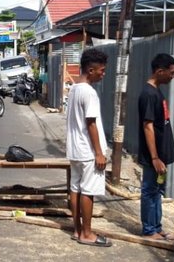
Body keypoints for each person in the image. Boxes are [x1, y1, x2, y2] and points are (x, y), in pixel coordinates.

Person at [66, 48, 111, 247]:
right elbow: (91, 123)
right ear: (90, 70)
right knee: (88, 191)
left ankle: (77, 230)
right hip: (88, 151)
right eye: (101, 70)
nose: (103, 74)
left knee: (75, 189)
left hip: (75, 149)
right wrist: (99, 153)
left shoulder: (74, 88)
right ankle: (87, 233)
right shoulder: (89, 92)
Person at [138, 53, 174, 241]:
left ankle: (156, 227)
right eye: (171, 72)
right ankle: (149, 230)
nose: (173, 76)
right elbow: (148, 126)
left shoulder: (156, 91)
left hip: (161, 154)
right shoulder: (148, 94)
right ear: (159, 71)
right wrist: (154, 157)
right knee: (149, 190)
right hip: (153, 156)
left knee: (157, 190)